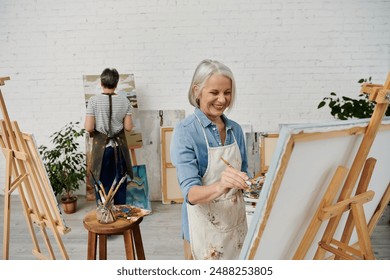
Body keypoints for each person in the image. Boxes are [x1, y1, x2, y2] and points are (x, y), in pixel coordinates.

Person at [170, 59, 250, 260]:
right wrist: (221, 185)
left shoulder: (236, 130)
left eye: (227, 92)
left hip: (236, 227)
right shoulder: (185, 132)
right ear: (197, 91)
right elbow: (191, 193)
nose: (222, 100)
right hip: (203, 231)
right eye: (214, 93)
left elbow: (246, 174)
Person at [85, 68, 133, 205]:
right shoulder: (125, 101)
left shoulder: (93, 101)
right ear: (116, 83)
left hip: (101, 149)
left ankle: (104, 215)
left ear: (101, 83)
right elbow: (128, 128)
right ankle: (120, 216)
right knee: (119, 184)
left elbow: (88, 127)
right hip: (119, 149)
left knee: (101, 183)